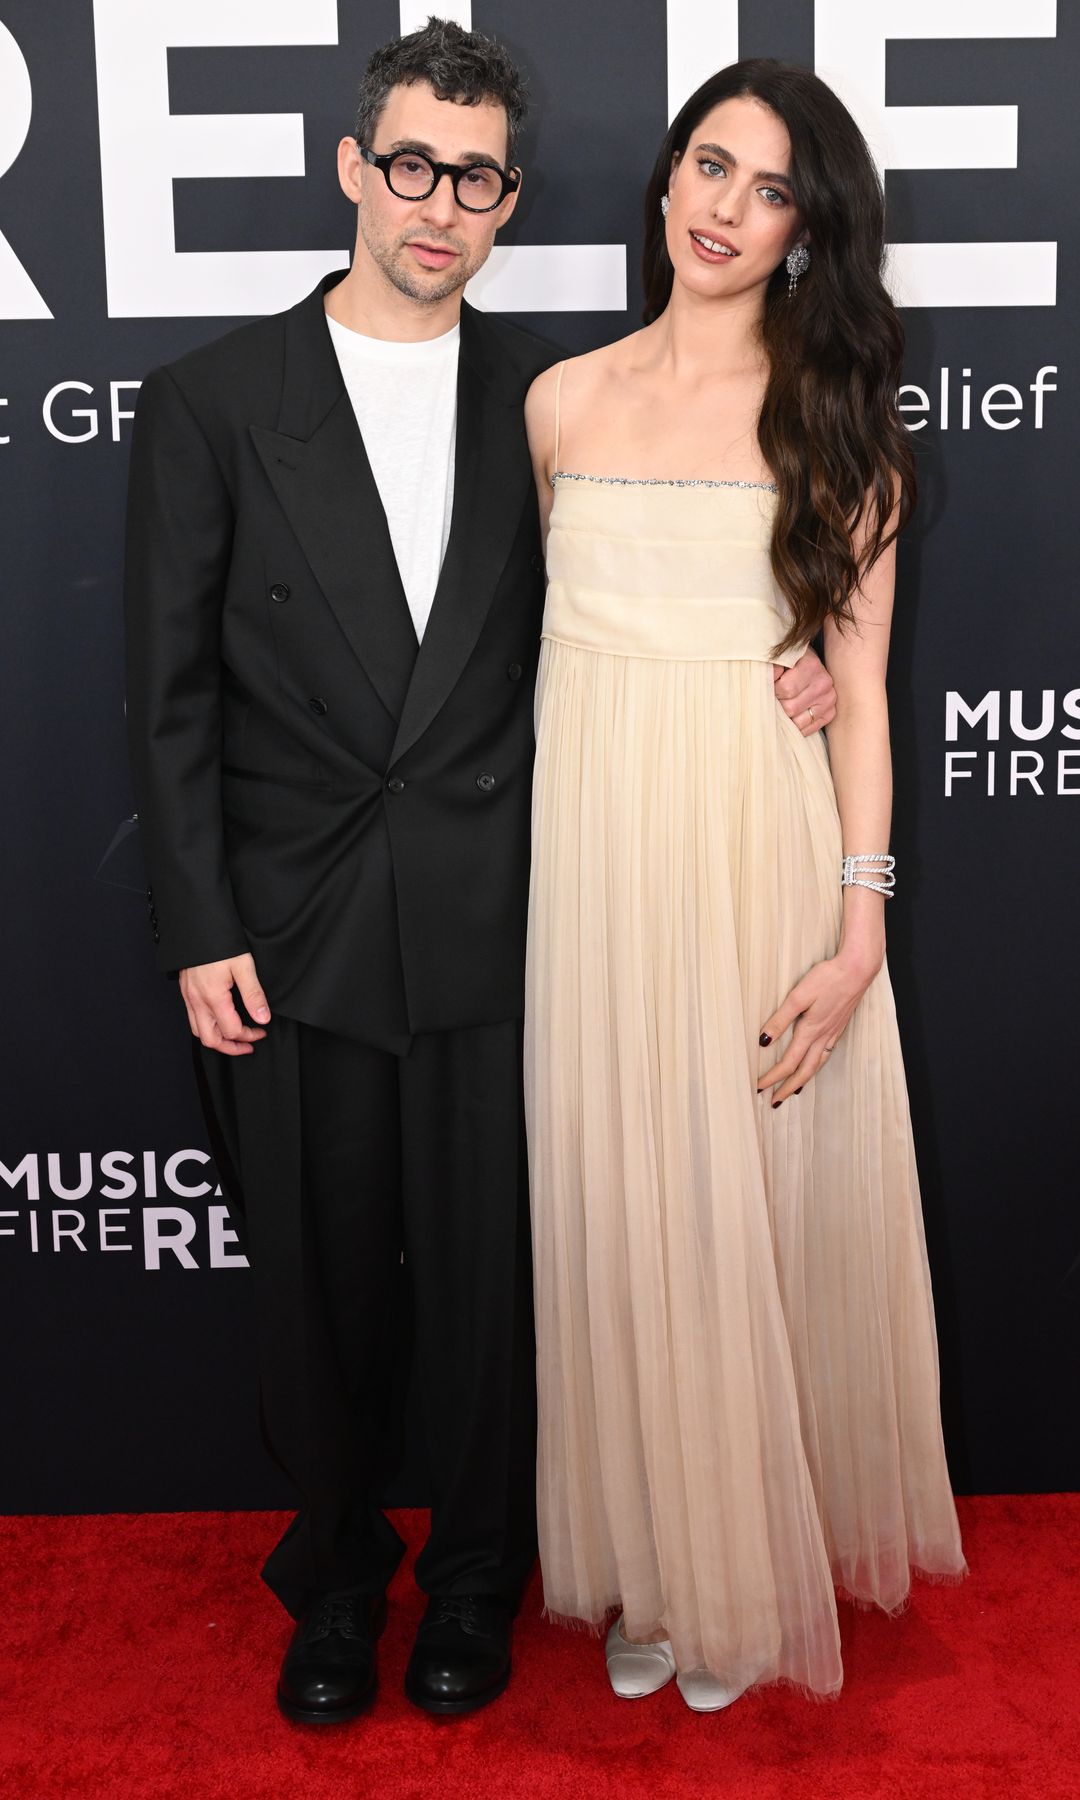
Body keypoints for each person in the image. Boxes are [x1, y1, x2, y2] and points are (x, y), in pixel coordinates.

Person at [124, 21, 835, 1725]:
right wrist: (199, 920)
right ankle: (337, 1587)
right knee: (313, 1288)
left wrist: (788, 660)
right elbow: (166, 695)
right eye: (417, 165)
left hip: (507, 925)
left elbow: (651, 594)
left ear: (512, 202)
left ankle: (470, 1587)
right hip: (289, 933)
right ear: (358, 168)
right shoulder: (214, 401)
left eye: (481, 178)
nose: (444, 204)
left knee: (500, 1296)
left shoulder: (548, 396)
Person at [524, 58, 966, 1712]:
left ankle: (740, 1574)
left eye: (768, 189)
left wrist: (859, 934)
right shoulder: (558, 402)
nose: (722, 207)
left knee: (742, 1212)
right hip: (592, 862)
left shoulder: (833, 415)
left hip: (754, 850)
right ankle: (653, 1553)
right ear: (664, 177)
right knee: (623, 1212)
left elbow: (859, 691)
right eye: (709, 165)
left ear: (803, 233)